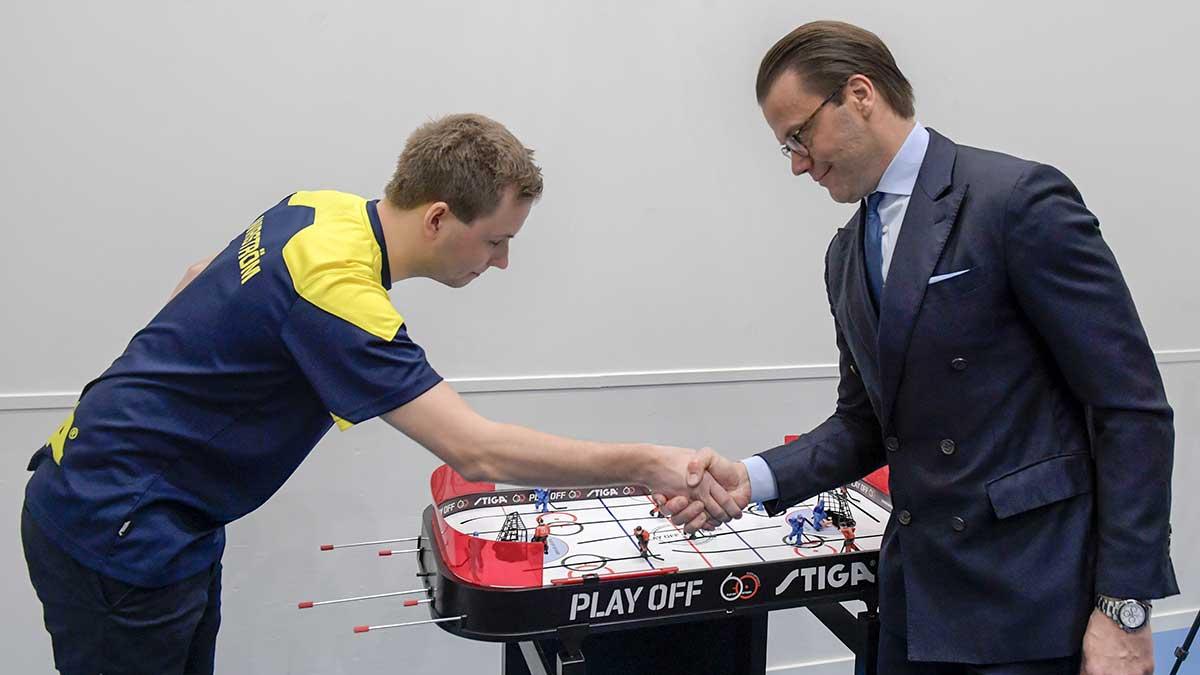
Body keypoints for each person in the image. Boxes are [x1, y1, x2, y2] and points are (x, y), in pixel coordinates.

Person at [20, 113, 742, 675]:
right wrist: (646, 460)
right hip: (116, 530)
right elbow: (473, 446)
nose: (504, 261)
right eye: (494, 240)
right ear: (436, 218)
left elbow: (196, 275)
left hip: (136, 508)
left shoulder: (316, 209)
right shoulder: (339, 294)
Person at [659, 21, 1177, 675]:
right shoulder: (845, 255)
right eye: (784, 147)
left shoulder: (1016, 202)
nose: (795, 163)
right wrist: (751, 477)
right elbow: (863, 425)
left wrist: (1125, 607)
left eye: (799, 135)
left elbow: (1131, 408)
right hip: (915, 600)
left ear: (860, 94)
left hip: (1033, 602)